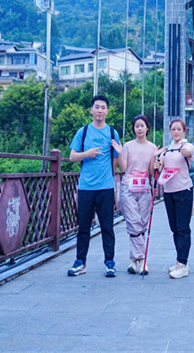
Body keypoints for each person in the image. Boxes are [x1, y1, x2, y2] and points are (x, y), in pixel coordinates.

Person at [67, 95, 120, 278]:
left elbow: (115, 159)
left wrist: (110, 178)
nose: (99, 110)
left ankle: (110, 263)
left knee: (107, 227)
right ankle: (80, 262)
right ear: (91, 110)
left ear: (107, 111)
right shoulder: (83, 132)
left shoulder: (112, 133)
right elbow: (72, 157)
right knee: (83, 227)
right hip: (85, 187)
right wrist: (86, 154)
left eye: (103, 107)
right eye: (96, 107)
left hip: (105, 187)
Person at [113, 115, 159, 275]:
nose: (139, 129)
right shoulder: (127, 146)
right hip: (128, 186)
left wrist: (155, 158)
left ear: (147, 128)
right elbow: (123, 168)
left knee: (142, 223)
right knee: (133, 221)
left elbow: (151, 171)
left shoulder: (152, 147)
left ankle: (134, 260)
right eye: (136, 126)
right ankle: (142, 259)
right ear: (133, 129)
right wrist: (120, 153)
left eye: (142, 126)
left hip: (144, 187)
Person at [153, 118, 194, 279]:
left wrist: (185, 149)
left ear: (184, 131)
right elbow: (160, 167)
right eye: (173, 129)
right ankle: (180, 260)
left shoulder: (187, 145)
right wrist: (156, 163)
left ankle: (182, 263)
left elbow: (188, 152)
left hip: (184, 190)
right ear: (170, 131)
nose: (176, 132)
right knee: (174, 228)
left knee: (183, 228)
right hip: (168, 192)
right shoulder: (167, 150)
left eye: (179, 129)